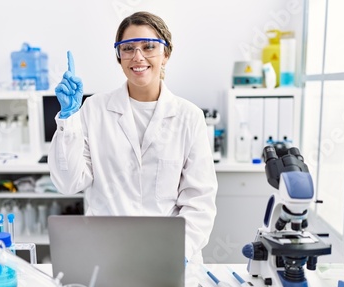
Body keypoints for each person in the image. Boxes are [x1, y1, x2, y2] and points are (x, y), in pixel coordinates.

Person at [48, 11, 218, 264]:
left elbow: (199, 201)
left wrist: (179, 251)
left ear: (166, 54)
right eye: (128, 48)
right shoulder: (94, 110)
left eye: (149, 47)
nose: (138, 56)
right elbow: (68, 183)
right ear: (119, 56)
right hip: (107, 252)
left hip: (169, 252)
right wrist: (68, 118)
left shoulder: (189, 116)